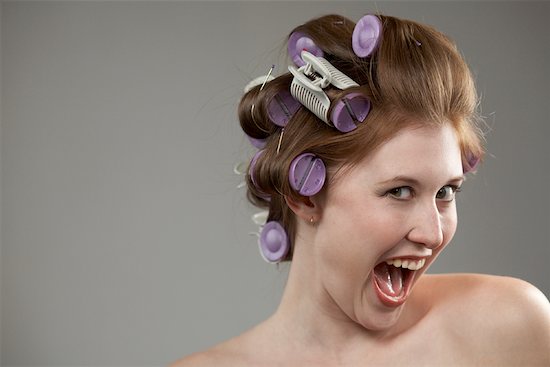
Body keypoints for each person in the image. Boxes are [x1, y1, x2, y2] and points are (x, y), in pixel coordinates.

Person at [172, 13, 550, 366]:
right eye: (399, 191)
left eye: (446, 192)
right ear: (303, 193)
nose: (433, 234)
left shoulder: (507, 329)